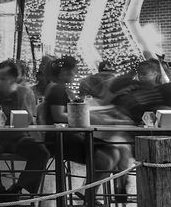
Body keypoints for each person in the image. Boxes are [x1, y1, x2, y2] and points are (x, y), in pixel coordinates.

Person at [37, 56, 123, 199]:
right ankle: (88, 195)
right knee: (109, 155)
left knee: (112, 152)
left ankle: (87, 193)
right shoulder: (58, 89)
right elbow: (58, 115)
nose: (75, 75)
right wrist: (85, 117)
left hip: (63, 137)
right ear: (65, 72)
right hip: (59, 139)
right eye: (74, 72)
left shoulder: (56, 87)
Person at [0, 60, 50, 197]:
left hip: (17, 137)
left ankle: (17, 187)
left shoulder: (25, 92)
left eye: (2, 78)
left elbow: (29, 119)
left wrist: (24, 99)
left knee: (41, 152)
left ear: (14, 79)